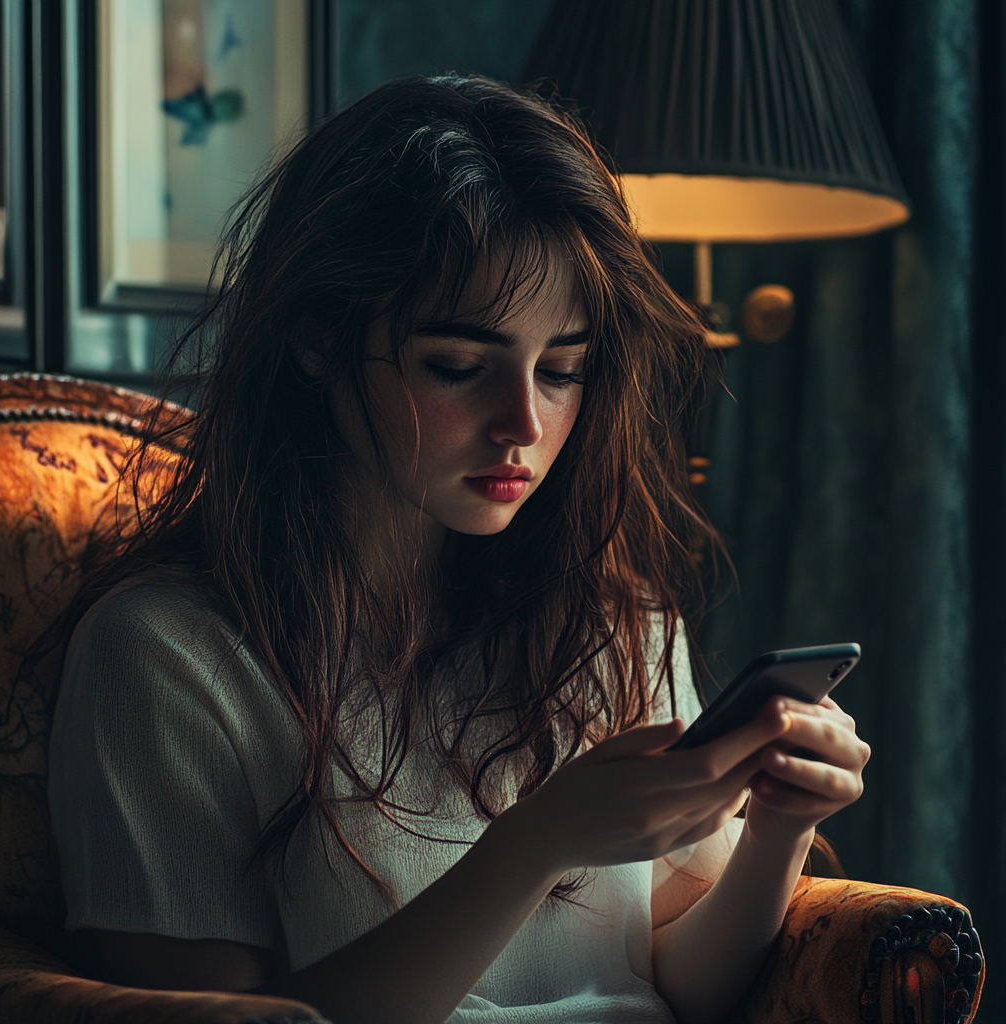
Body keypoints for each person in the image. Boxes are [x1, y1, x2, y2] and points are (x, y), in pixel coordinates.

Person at [47, 75, 870, 1024]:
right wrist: (534, 844)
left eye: (562, 369)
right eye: (457, 367)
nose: (523, 422)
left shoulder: (612, 624)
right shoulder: (164, 657)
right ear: (318, 340)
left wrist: (780, 827)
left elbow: (682, 982)